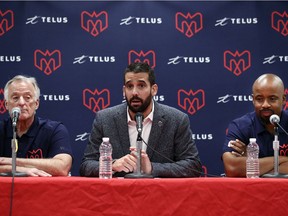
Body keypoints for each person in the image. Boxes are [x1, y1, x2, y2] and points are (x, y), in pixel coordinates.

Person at [80, 62, 202, 178]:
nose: (134, 92)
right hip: (117, 195)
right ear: (124, 91)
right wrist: (112, 165)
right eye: (129, 86)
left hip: (160, 196)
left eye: (141, 86)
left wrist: (152, 168)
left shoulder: (176, 120)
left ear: (153, 89)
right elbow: (86, 165)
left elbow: (193, 166)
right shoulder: (104, 119)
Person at [0, 75, 73, 177]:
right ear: (6, 104)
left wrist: (6, 161)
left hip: (43, 192)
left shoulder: (54, 130)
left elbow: (62, 167)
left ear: (37, 103)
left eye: (27, 98)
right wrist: (21, 170)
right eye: (15, 98)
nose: (21, 103)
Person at [222, 73, 288, 177]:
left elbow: (241, 169)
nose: (265, 104)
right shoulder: (240, 126)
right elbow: (232, 168)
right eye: (259, 99)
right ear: (253, 99)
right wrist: (282, 160)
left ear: (283, 99)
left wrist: (251, 164)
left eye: (272, 98)